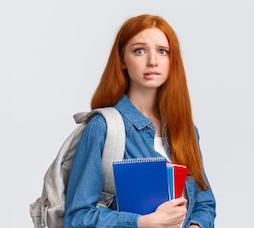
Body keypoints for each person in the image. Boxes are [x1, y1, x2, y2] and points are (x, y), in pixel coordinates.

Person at [64, 14, 216, 228]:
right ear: (123, 60)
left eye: (163, 51)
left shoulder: (185, 130)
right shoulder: (103, 128)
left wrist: (195, 226)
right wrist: (143, 223)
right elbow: (77, 218)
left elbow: (204, 203)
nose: (152, 61)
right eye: (139, 50)